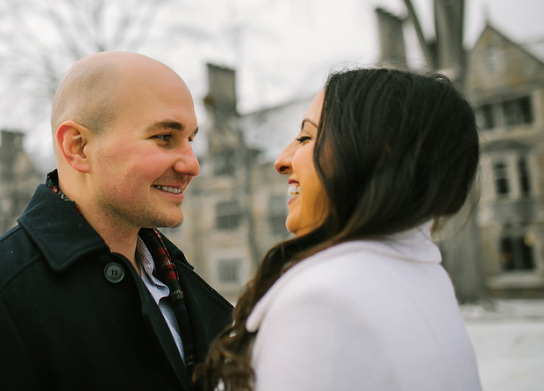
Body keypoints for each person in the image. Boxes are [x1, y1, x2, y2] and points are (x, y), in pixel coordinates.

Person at [0, 51, 233, 390]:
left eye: (190, 140)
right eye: (164, 137)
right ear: (78, 147)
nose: (192, 165)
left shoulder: (178, 281)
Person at [195, 68, 483, 391]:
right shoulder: (424, 277)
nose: (282, 160)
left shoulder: (323, 300)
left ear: (376, 154)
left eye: (306, 138)